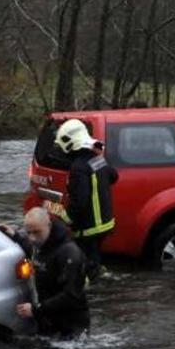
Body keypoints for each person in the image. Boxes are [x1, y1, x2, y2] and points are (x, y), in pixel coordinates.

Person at [0, 207, 90, 340]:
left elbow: (71, 295)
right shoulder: (40, 246)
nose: (32, 238)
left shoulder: (69, 253)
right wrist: (15, 235)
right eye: (28, 233)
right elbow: (32, 250)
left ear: (49, 226)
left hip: (71, 326)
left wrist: (35, 310)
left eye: (36, 232)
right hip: (49, 320)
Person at [55, 119, 118, 281]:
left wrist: (66, 218)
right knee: (93, 255)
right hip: (106, 222)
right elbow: (113, 176)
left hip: (90, 228)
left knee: (82, 264)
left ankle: (89, 286)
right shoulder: (96, 158)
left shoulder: (78, 167)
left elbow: (80, 202)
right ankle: (98, 272)